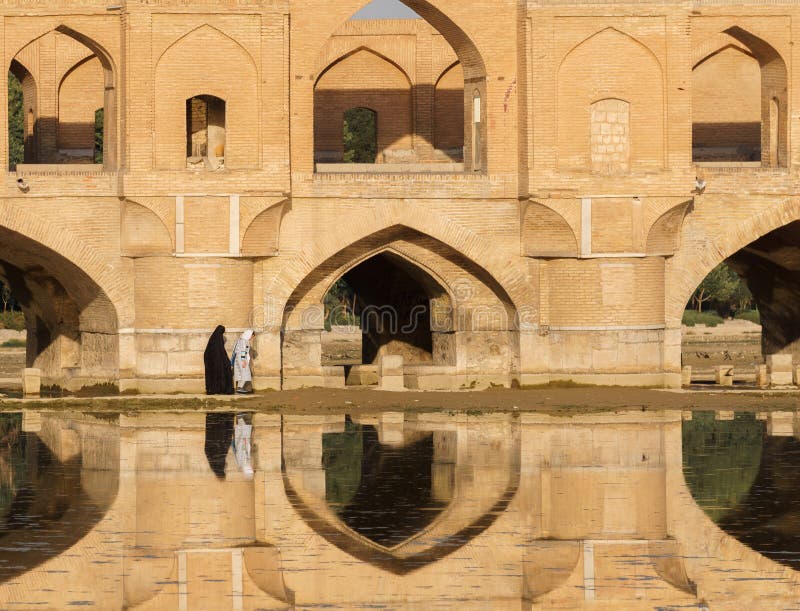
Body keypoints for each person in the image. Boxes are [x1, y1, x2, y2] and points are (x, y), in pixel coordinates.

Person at [203, 325, 233, 395]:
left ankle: (213, 389)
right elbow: (220, 352)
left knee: (212, 374)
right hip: (213, 361)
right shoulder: (218, 339)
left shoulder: (213, 338)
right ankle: (219, 389)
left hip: (210, 360)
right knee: (220, 371)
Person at [231, 329, 254, 394]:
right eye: (252, 336)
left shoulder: (239, 340)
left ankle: (239, 388)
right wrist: (243, 360)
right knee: (245, 373)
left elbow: (234, 350)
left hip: (237, 359)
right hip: (242, 360)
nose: (251, 338)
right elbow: (243, 351)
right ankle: (240, 388)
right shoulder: (245, 341)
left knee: (240, 374)